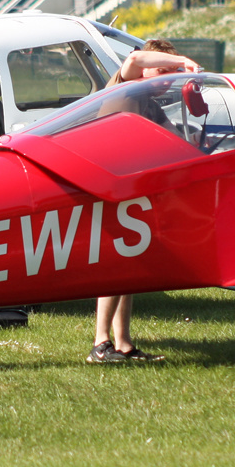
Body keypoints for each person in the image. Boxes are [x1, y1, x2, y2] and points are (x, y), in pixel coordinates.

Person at [88, 39, 202, 364]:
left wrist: (195, 142)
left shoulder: (149, 104)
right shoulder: (124, 85)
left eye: (170, 74)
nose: (166, 79)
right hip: (104, 186)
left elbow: (174, 140)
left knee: (131, 266)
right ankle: (100, 344)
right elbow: (135, 57)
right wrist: (182, 61)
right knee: (117, 264)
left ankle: (122, 344)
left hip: (128, 190)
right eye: (162, 70)